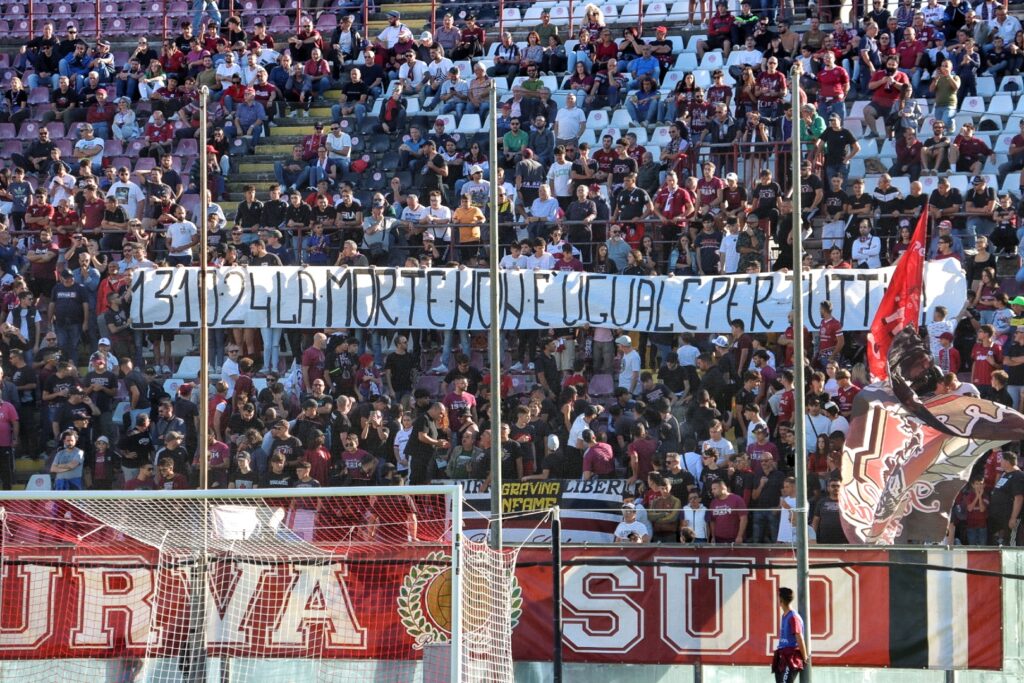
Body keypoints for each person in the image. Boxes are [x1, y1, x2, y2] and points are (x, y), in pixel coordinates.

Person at [772, 587, 808, 683]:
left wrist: (805, 657)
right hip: (782, 656)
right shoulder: (785, 615)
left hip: (791, 657)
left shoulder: (793, 617)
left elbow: (799, 637)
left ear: (781, 600)